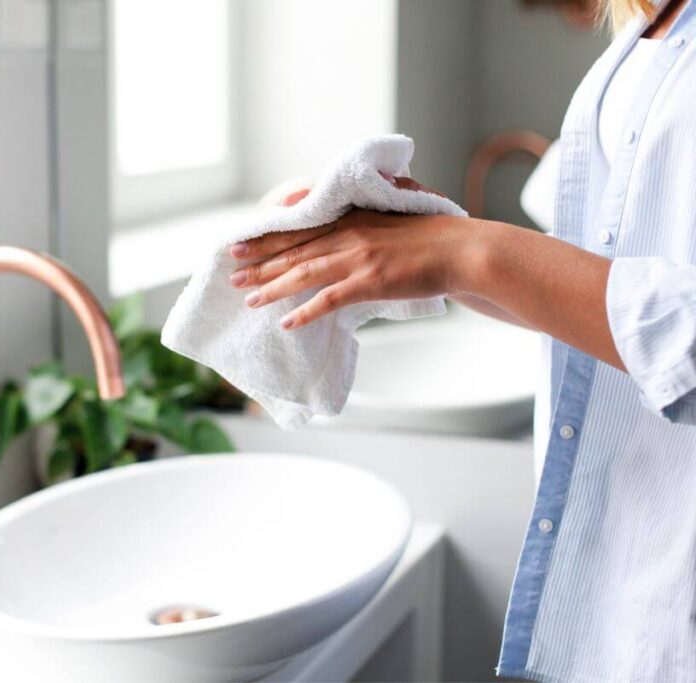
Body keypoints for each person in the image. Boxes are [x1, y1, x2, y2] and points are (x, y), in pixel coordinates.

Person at [228, 0, 696, 680]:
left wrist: (467, 252)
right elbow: (600, 297)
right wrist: (429, 238)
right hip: (617, 585)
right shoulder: (643, 38)